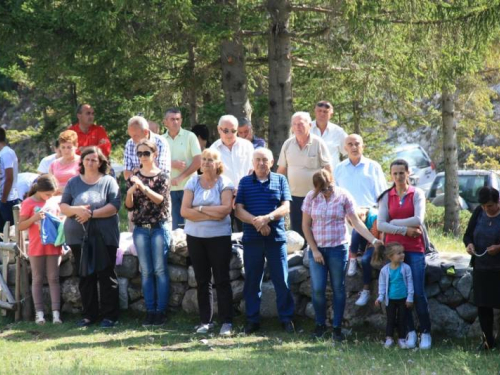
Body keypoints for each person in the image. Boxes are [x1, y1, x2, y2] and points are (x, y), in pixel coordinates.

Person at [302, 169, 382, 341]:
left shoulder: (343, 196)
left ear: (333, 181)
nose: (327, 191)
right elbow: (305, 226)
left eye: (329, 187)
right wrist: (314, 249)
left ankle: (337, 328)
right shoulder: (311, 197)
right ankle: (320, 325)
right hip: (317, 249)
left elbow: (356, 223)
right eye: (322, 189)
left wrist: (373, 240)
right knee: (317, 289)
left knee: (339, 288)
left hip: (338, 248)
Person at [235, 148, 295, 334]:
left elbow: (286, 207)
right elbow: (238, 210)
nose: (261, 163)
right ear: (253, 162)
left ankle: (286, 319)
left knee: (281, 280)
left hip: (275, 239)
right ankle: (252, 320)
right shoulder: (245, 182)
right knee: (252, 281)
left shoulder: (280, 180)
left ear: (272, 161)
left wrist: (267, 219)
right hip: (252, 239)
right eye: (258, 160)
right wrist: (258, 223)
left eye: (265, 160)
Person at [60, 146, 121, 328]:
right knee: (86, 277)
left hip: (104, 236)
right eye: (87, 159)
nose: (90, 162)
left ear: (101, 162)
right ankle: (89, 315)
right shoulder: (73, 182)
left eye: (94, 159)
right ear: (82, 161)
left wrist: (90, 214)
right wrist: (76, 210)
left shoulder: (109, 181)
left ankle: (110, 316)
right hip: (78, 237)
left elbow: (114, 206)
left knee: (106, 275)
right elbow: (64, 206)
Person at [377, 159, 432, 350]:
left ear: (408, 173)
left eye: (402, 173)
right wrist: (404, 230)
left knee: (417, 291)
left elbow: (419, 219)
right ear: (391, 175)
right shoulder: (386, 196)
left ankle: (425, 331)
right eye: (395, 173)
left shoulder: (417, 193)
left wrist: (394, 221)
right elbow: (380, 225)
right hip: (393, 250)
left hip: (414, 249)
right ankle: (408, 332)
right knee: (399, 294)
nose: (398, 177)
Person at [180, 148, 234, 336]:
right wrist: (211, 213)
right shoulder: (193, 181)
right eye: (203, 159)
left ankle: (227, 321)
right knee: (202, 280)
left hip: (219, 238)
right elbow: (185, 212)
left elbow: (226, 210)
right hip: (195, 238)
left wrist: (199, 208)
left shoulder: (225, 183)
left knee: (222, 279)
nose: (206, 163)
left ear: (218, 163)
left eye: (210, 160)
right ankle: (206, 321)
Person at [125, 139, 171, 327]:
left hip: (159, 227)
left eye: (146, 153)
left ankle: (161, 311)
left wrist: (143, 187)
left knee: (160, 270)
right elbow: (129, 205)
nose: (143, 157)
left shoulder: (163, 176)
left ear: (155, 154)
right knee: (146, 272)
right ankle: (150, 311)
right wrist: (130, 192)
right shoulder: (134, 177)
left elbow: (160, 200)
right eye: (139, 154)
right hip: (140, 229)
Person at [334, 134, 387, 282]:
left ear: (362, 146)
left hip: (370, 215)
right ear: (345, 148)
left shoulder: (373, 166)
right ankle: (352, 257)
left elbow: (382, 194)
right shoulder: (339, 168)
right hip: (346, 217)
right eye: (350, 144)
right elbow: (336, 196)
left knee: (360, 220)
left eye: (357, 144)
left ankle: (353, 257)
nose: (353, 147)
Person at [277, 111, 331, 239]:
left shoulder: (318, 143)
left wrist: (329, 190)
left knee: (316, 230)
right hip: (294, 197)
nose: (297, 127)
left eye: (300, 124)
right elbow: (281, 170)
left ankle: (316, 256)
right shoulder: (288, 144)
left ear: (309, 125)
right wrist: (275, 190)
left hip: (316, 196)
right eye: (294, 124)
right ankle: (299, 258)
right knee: (297, 232)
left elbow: (328, 169)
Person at [19, 174, 62, 325]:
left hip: (53, 246)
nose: (49, 197)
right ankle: (39, 314)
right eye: (48, 194)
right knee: (37, 278)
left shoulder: (52, 202)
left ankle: (56, 314)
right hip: (36, 246)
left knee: (53, 278)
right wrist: (34, 218)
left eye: (52, 194)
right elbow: (20, 226)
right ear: (39, 190)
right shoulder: (28, 203)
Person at [464, 187, 500, 350]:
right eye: (484, 206)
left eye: (490, 205)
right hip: (481, 267)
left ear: (498, 201)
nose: (487, 209)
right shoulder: (479, 212)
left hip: (498, 268)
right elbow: (468, 235)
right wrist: (469, 244)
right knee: (483, 306)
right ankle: (487, 341)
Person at [210, 115, 253, 232]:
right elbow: (211, 176)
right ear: (219, 129)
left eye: (233, 131)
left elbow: (252, 171)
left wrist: (239, 190)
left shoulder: (247, 146)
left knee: (247, 233)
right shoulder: (212, 149)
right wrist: (229, 193)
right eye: (226, 130)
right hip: (221, 198)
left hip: (245, 196)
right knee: (223, 234)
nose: (229, 134)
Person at [162, 108, 201, 230]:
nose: (175, 122)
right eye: (172, 119)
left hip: (189, 187)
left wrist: (181, 177)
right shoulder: (161, 140)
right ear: (165, 122)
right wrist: (170, 163)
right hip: (168, 188)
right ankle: (177, 249)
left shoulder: (190, 136)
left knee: (191, 224)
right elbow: (153, 162)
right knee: (174, 226)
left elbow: (198, 161)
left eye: (178, 119)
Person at [375, 242, 414, 349]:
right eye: (399, 253)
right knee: (390, 319)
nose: (402, 255)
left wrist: (410, 298)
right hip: (390, 300)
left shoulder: (406, 268)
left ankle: (402, 339)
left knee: (402, 319)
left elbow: (410, 283)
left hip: (403, 299)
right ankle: (389, 338)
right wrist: (380, 297)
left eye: (403, 252)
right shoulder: (385, 270)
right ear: (390, 256)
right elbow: (382, 285)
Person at [123, 115, 171, 181]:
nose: (133, 139)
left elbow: (162, 172)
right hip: (136, 189)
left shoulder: (161, 142)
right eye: (131, 136)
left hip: (157, 189)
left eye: (135, 136)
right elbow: (127, 174)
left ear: (146, 132)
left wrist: (136, 170)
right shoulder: (129, 143)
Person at [353, 207, 382, 306]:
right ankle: (353, 257)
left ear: (362, 216)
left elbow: (376, 238)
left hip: (377, 242)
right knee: (355, 230)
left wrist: (367, 248)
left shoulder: (374, 217)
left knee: (365, 260)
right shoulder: (357, 215)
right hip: (368, 242)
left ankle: (366, 289)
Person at [311, 101, 347, 170]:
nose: (322, 114)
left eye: (325, 112)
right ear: (315, 112)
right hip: (310, 175)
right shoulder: (306, 129)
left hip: (331, 176)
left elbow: (349, 151)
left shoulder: (338, 131)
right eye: (319, 111)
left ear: (331, 114)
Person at [0, 127, 20, 233]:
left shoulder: (7, 153)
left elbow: (9, 177)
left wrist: (3, 199)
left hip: (8, 199)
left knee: (10, 232)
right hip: (2, 199)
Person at [49, 130, 80, 195]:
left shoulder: (83, 162)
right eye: (63, 147)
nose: (66, 151)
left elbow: (87, 183)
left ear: (76, 146)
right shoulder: (54, 164)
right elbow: (49, 185)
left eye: (69, 147)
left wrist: (66, 190)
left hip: (76, 196)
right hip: (56, 197)